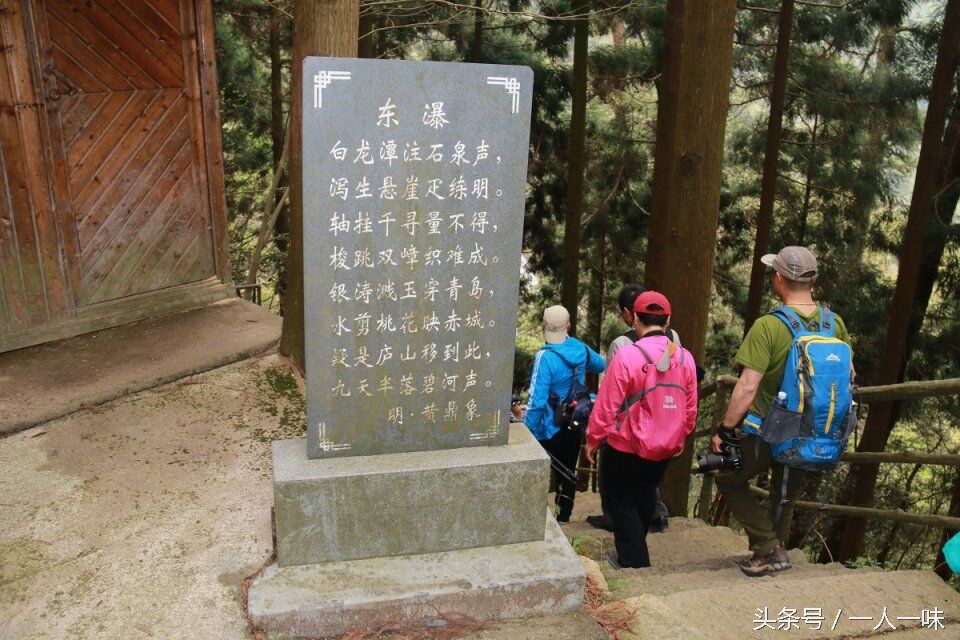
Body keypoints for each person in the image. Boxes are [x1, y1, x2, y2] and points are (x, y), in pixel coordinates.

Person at [712, 246, 853, 577]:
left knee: (728, 478)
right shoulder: (835, 324)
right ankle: (776, 550)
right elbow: (848, 377)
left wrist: (725, 430)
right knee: (785, 493)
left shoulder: (769, 326)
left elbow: (747, 386)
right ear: (812, 280)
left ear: (778, 278)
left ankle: (769, 548)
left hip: (766, 428)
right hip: (810, 429)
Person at [585, 292, 699, 568]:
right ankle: (635, 547)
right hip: (665, 444)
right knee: (646, 492)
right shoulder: (684, 357)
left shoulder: (627, 355)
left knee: (618, 498)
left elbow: (607, 403)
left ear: (635, 318)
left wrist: (593, 439)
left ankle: (634, 560)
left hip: (626, 442)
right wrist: (682, 433)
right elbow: (690, 403)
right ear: (668, 320)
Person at [587, 284, 672, 534]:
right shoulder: (674, 340)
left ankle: (615, 520)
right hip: (666, 422)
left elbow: (611, 392)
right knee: (649, 475)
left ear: (630, 314)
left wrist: (597, 433)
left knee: (614, 480)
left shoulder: (622, 344)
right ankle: (657, 515)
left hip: (631, 423)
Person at [524, 305, 606, 522]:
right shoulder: (579, 348)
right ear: (568, 326)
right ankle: (563, 518)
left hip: (547, 427)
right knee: (567, 471)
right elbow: (601, 365)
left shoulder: (545, 357)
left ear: (544, 326)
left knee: (539, 472)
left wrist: (526, 431)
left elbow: (536, 401)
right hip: (573, 421)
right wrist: (580, 351)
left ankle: (535, 519)